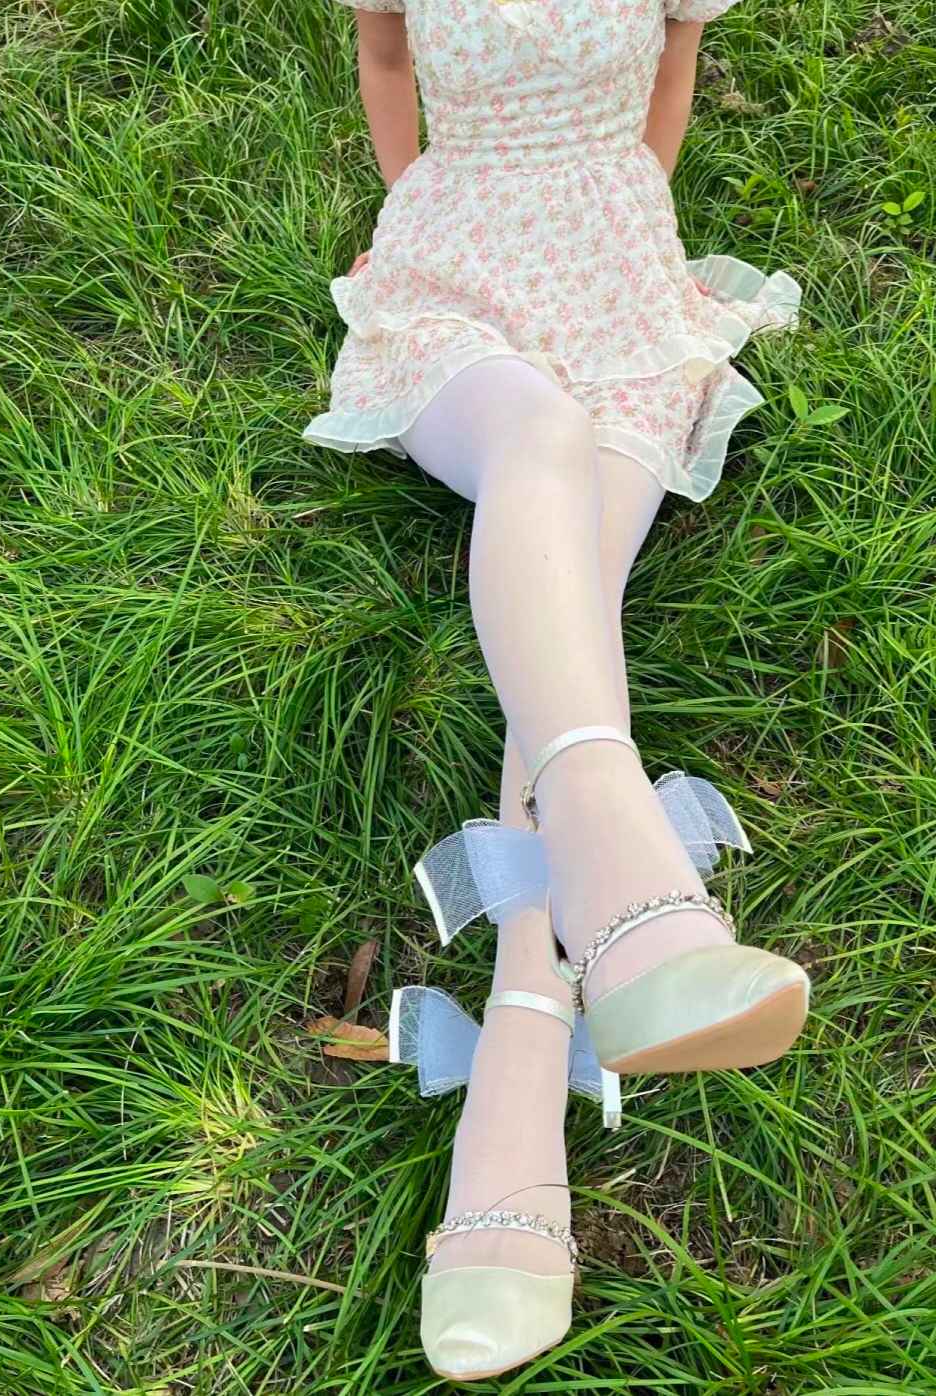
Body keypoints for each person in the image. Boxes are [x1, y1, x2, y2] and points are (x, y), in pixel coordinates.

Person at [303, 0, 810, 1379]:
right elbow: (388, 57)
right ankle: (618, 872)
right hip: (455, 269)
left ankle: (521, 1075)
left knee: (578, 583)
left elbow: (675, 66)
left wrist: (635, 215)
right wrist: (409, 206)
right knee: (538, 433)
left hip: (622, 277)